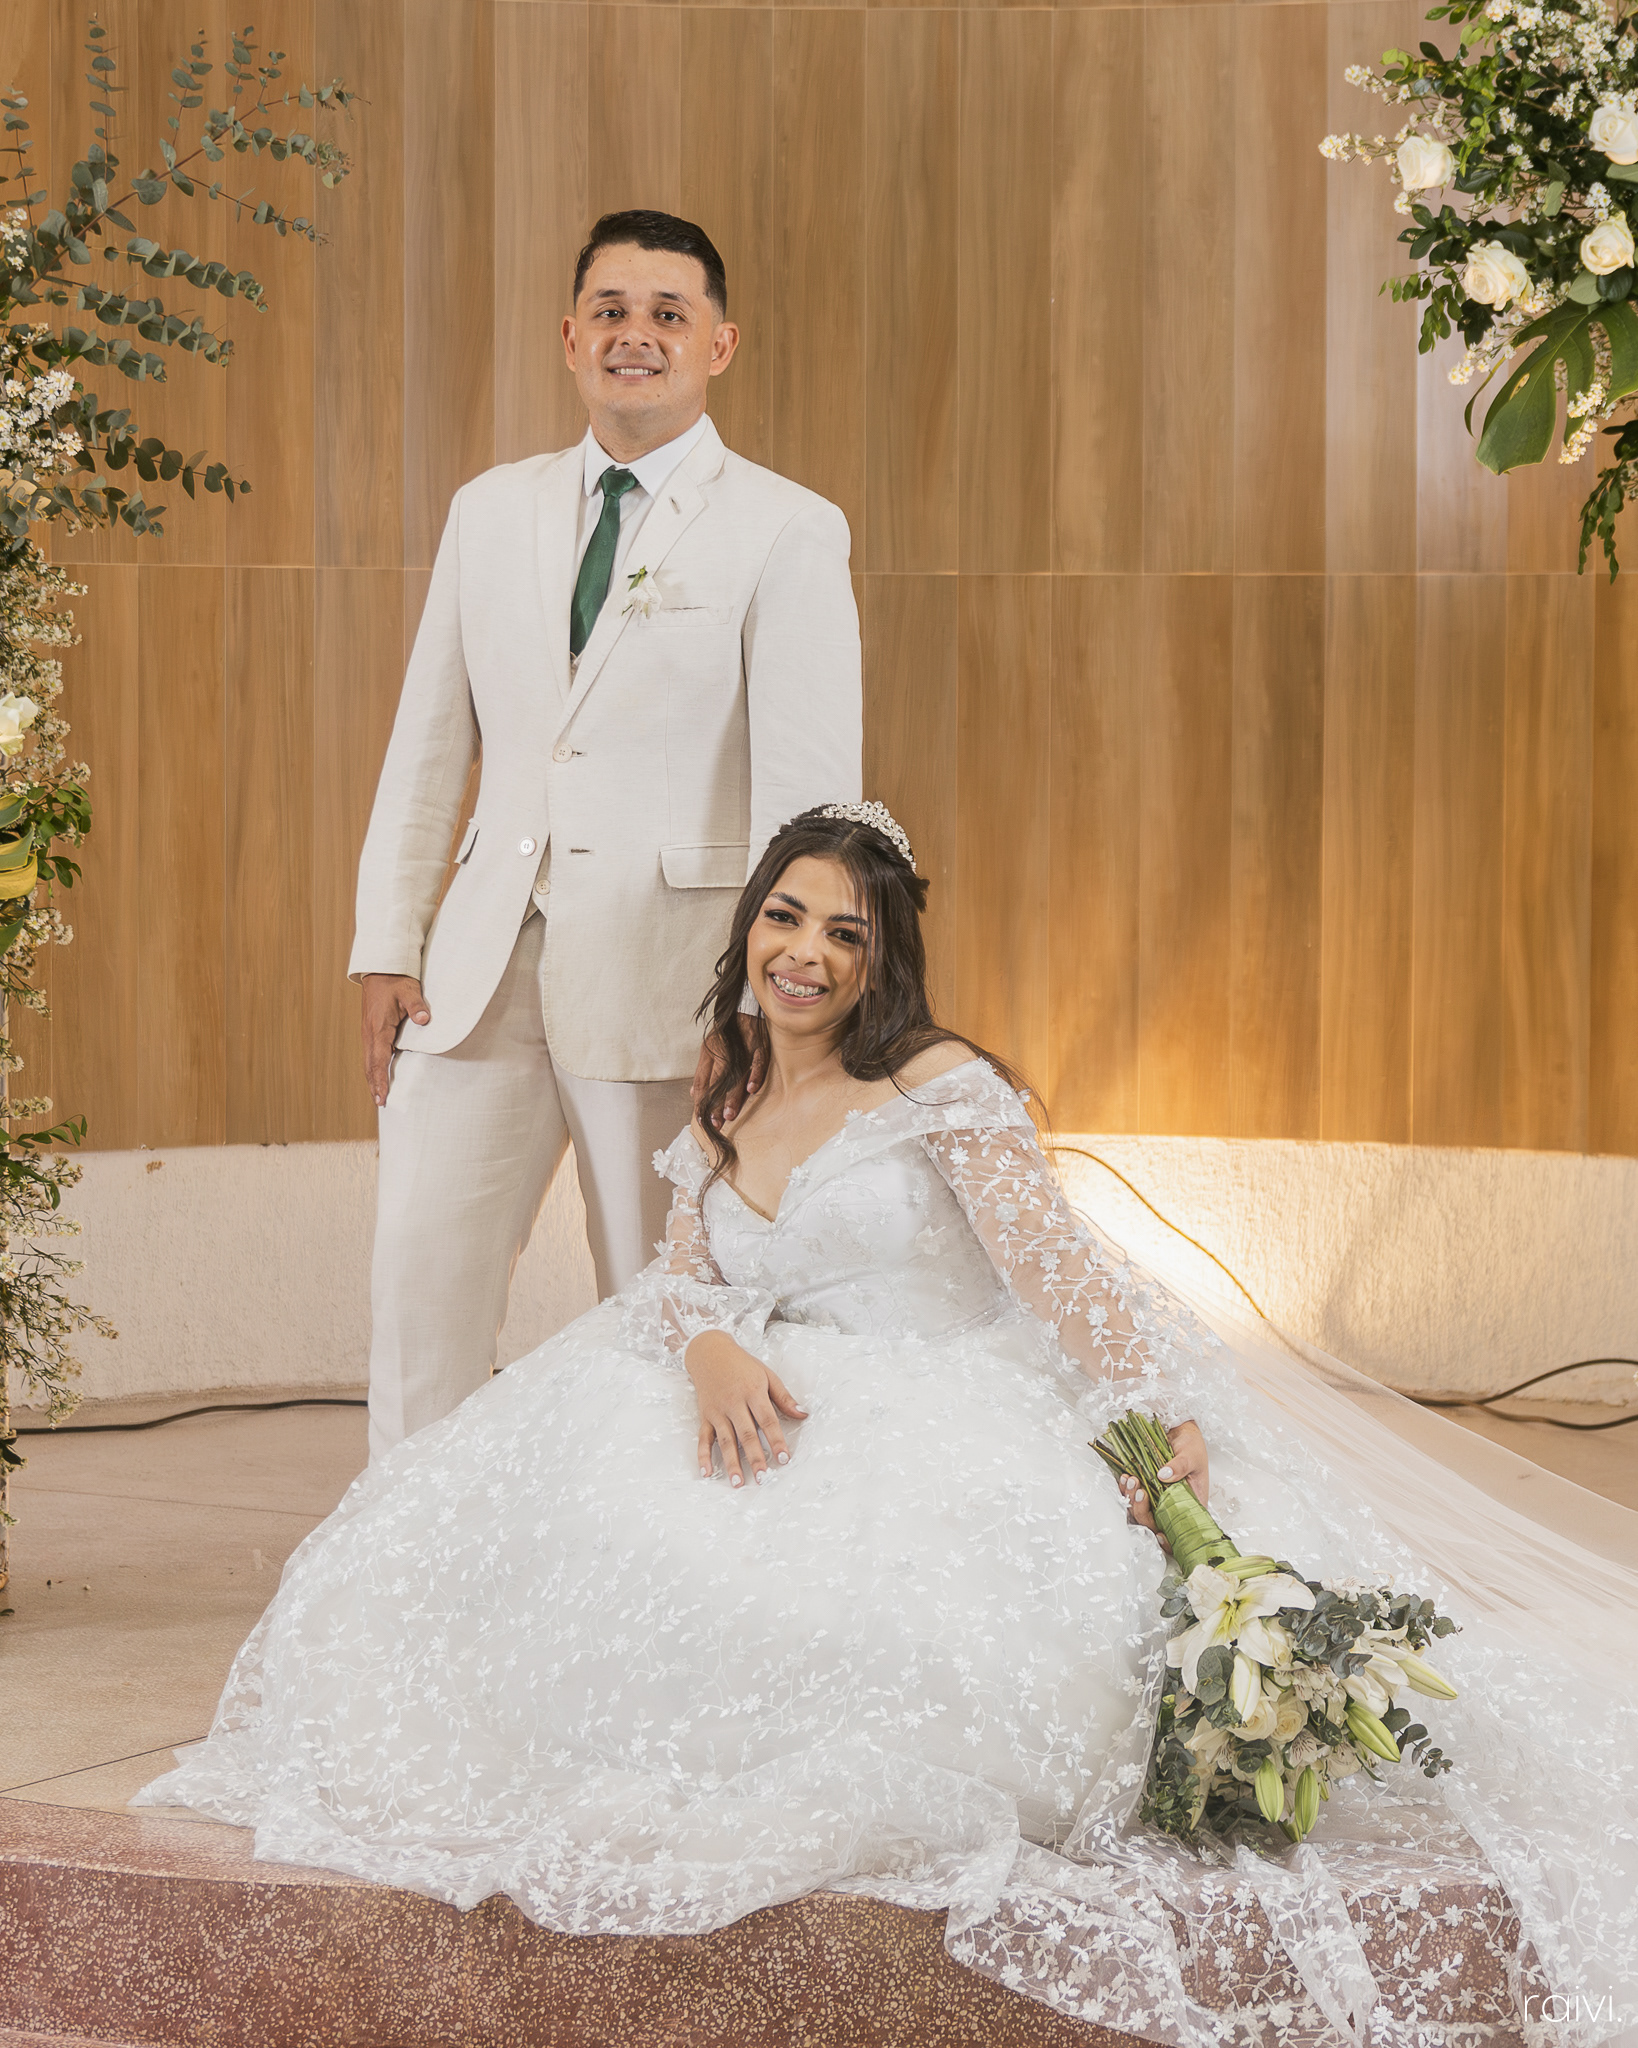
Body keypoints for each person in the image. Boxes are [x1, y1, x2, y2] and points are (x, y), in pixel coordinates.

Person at [142, 806, 1638, 2046]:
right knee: (553, 1548)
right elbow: (681, 1272)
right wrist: (709, 1342)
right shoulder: (726, 1083)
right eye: (785, 917)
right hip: (765, 1393)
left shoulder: (932, 1083)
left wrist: (1150, 1412)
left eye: (844, 934)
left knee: (879, 1640)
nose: (804, 953)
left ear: (882, 961)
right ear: (749, 927)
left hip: (943, 1401)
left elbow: (1054, 1268)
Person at [350, 209, 861, 1461]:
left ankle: (649, 1563)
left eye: (668, 314)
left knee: (659, 1307)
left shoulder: (787, 527)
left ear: (719, 345)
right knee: (418, 1289)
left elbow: (811, 811)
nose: (637, 334)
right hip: (474, 975)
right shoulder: (489, 510)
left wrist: (768, 1009)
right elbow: (429, 743)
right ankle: (399, 1558)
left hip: (674, 990)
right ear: (571, 337)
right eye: (611, 311)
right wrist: (387, 940)